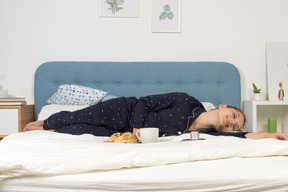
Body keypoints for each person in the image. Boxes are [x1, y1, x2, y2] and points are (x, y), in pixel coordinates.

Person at [24, 92, 288, 140]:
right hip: (124, 111)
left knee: (79, 130)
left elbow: (247, 136)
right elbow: (144, 102)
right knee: (71, 117)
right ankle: (42, 122)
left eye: (234, 125)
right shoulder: (187, 101)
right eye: (232, 115)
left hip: (127, 134)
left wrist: (271, 135)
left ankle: (49, 130)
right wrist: (137, 129)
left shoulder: (204, 134)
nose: (232, 122)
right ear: (221, 107)